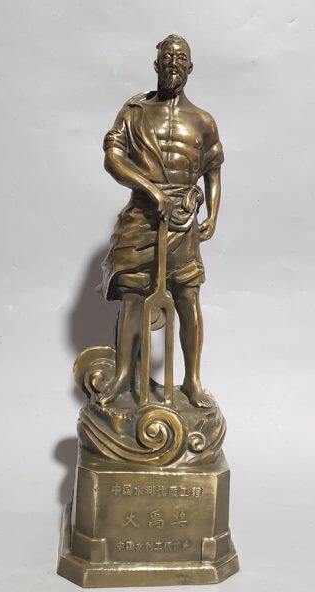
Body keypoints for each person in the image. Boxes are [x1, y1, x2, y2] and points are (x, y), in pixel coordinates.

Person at [98, 34, 224, 409]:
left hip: (183, 219)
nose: (173, 64)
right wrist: (149, 189)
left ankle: (193, 381)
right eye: (167, 58)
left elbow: (213, 171)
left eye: (180, 59)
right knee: (133, 295)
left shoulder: (203, 121)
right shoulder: (134, 112)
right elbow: (113, 158)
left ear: (190, 67)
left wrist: (213, 214)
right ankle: (123, 375)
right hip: (142, 215)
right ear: (156, 65)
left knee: (187, 295)